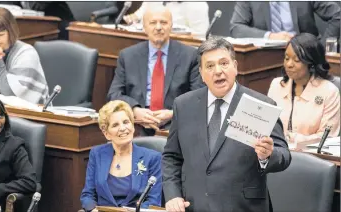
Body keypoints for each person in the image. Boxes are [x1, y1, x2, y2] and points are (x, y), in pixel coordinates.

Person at [162, 37, 291, 212]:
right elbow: (172, 156)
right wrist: (172, 194)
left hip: (243, 207)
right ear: (201, 73)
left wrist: (268, 155)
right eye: (210, 66)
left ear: (235, 67)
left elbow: (284, 156)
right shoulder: (184, 105)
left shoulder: (260, 104)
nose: (218, 71)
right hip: (195, 205)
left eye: (224, 63)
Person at [108, 6, 205, 135]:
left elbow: (199, 97)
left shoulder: (190, 55)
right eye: (153, 23)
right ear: (144, 27)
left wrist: (173, 113)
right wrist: (135, 110)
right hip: (136, 123)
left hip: (174, 124)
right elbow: (114, 94)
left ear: (171, 26)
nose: (158, 27)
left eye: (163, 22)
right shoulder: (128, 56)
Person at [80, 100, 162, 211]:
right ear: (106, 134)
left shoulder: (152, 158)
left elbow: (153, 201)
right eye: (115, 125)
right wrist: (93, 209)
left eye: (126, 122)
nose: (123, 128)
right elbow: (88, 195)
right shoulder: (97, 154)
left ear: (133, 126)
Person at [268, 33, 340, 146]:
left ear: (311, 64)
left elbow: (328, 138)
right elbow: (267, 125)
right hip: (278, 155)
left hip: (312, 158)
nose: (289, 64)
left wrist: (293, 139)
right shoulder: (276, 85)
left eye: (296, 60)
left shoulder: (329, 92)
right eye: (286, 58)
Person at [230, 1, 340, 43]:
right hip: (266, 57)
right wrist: (270, 36)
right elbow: (236, 27)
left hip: (305, 54)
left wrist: (323, 47)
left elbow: (337, 15)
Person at [124, 1, 209, 38]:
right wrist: (132, 18)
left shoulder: (197, 4)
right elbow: (140, 14)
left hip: (180, 54)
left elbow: (200, 37)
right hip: (147, 46)